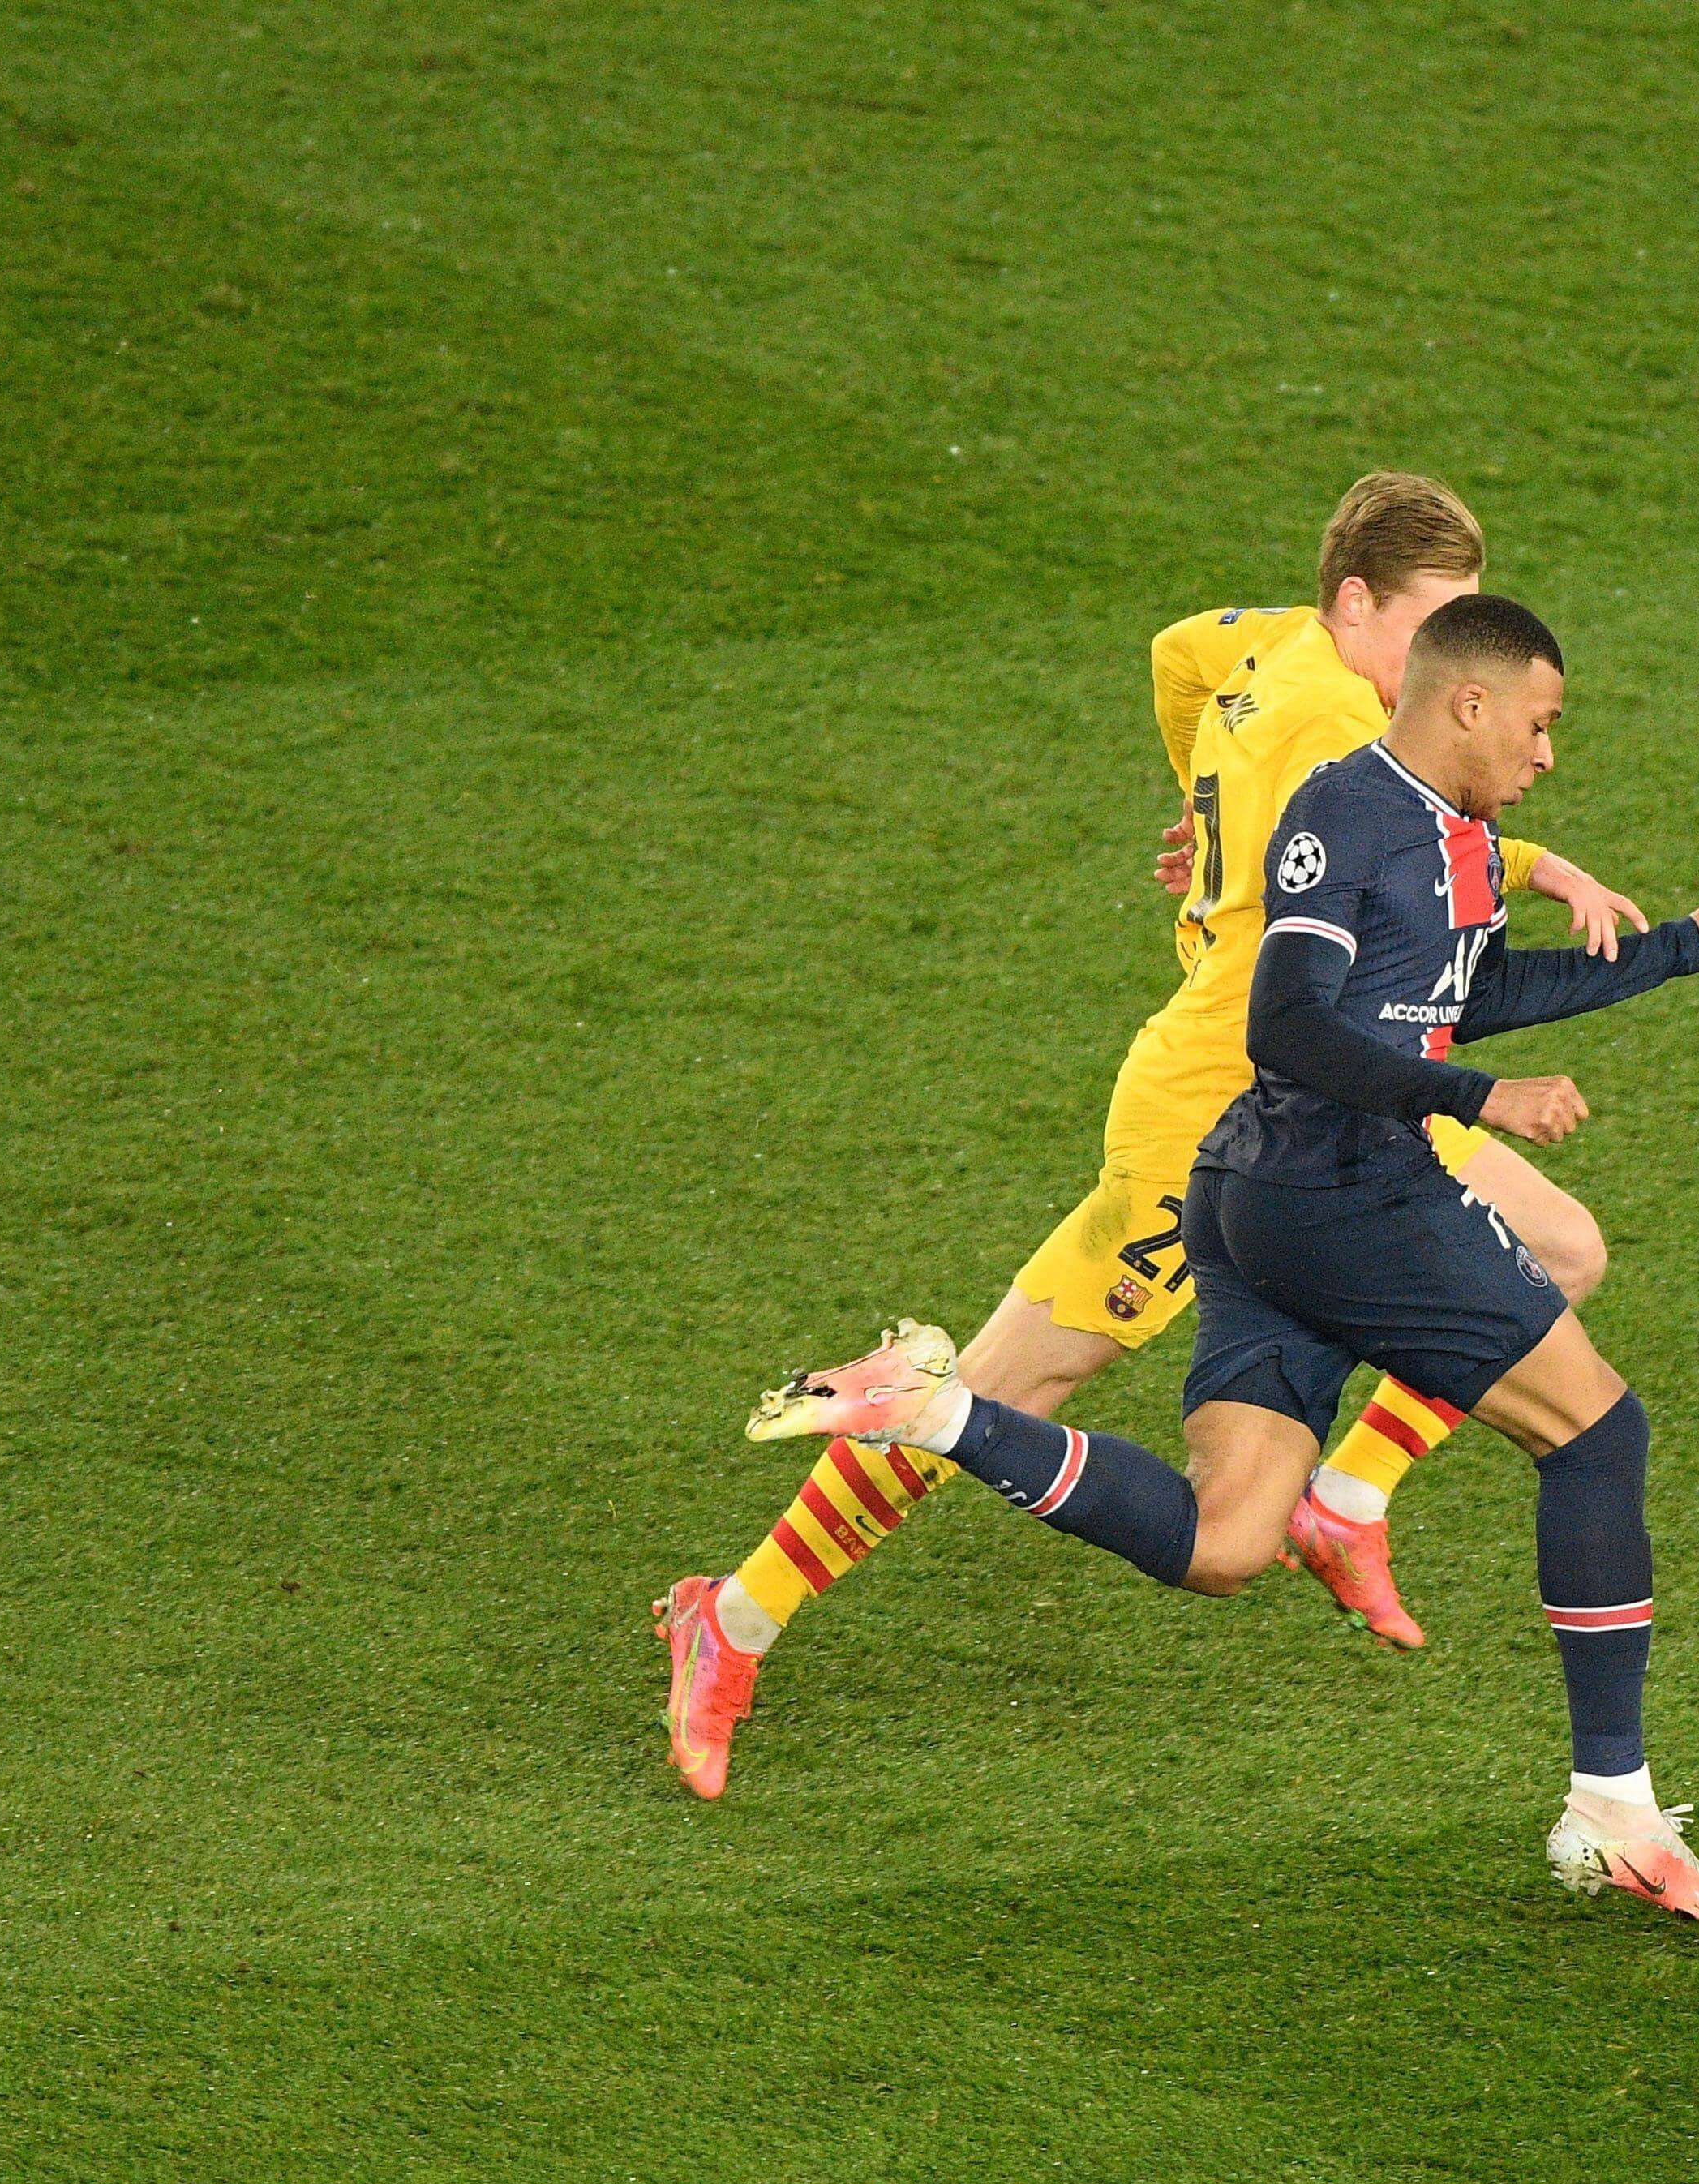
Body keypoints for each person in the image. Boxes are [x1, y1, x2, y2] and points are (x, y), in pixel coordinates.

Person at [746, 594, 1699, 1923]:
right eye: (1540, 724)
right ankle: (1613, 1805)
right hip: (1348, 1192)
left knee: (1226, 1541)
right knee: (1596, 1436)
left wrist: (1678, 952)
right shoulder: (1347, 813)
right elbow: (1290, 1020)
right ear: (1467, 702)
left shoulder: (1457, 835)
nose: (1548, 756)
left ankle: (936, 1405)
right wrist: (1477, 1101)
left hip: (1250, 1194)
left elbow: (1466, 994)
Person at [658, 475, 1645, 1800]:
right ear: (1358, 603)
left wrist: (1206, 817)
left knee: (1564, 1247)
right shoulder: (1334, 715)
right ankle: (733, 1617)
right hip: (1220, 1111)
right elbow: (1407, 829)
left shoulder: (1270, 646)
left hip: (1345, 1098)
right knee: (1008, 1389)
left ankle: (1343, 1501)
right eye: (1434, 624)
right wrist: (1546, 868)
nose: (1449, 660)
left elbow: (1179, 657)